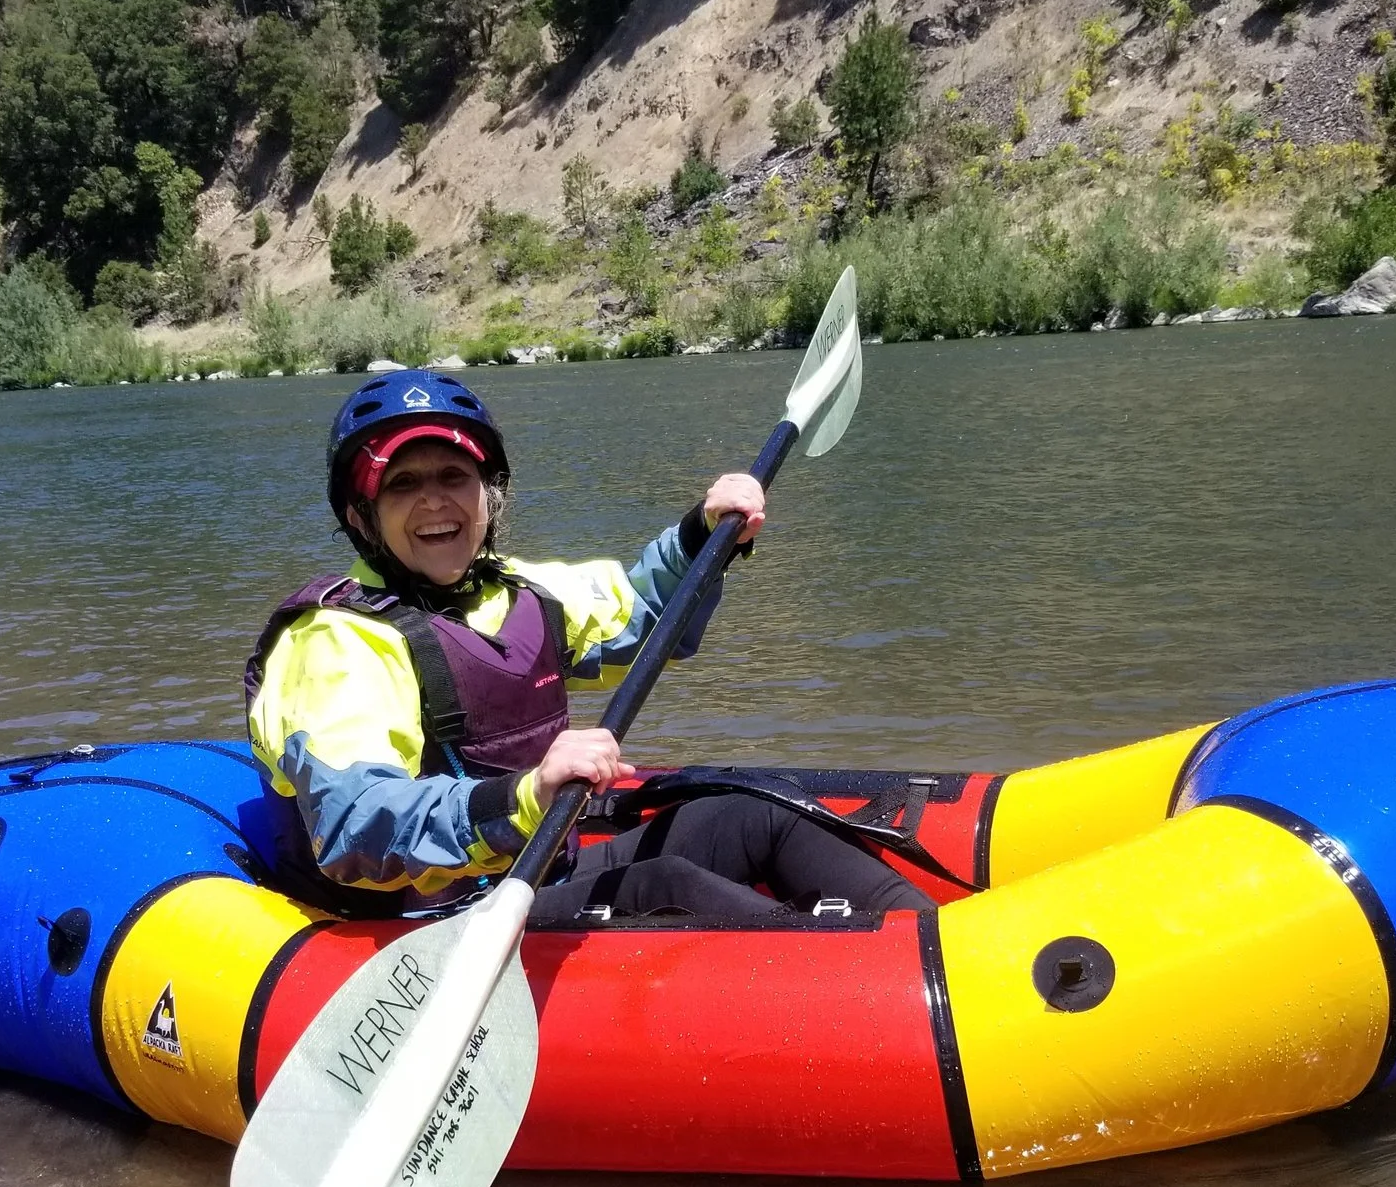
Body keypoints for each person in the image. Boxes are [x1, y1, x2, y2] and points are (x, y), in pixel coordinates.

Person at [243, 369, 935, 927]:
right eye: (403, 483)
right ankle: (881, 990)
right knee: (665, 885)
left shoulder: (519, 593)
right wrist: (526, 795)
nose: (434, 502)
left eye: (453, 476)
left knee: (758, 814)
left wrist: (704, 534)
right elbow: (357, 827)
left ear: (488, 494)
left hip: (544, 872)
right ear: (360, 515)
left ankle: (934, 940)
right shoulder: (335, 644)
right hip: (440, 919)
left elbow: (643, 618)